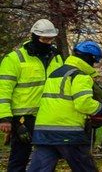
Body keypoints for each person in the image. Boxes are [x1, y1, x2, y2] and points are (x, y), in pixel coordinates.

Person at [27, 41, 102, 172]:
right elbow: (83, 103)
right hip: (69, 133)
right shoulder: (80, 76)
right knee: (85, 168)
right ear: (89, 58)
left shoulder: (54, 74)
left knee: (39, 169)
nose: (94, 65)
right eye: (95, 61)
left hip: (44, 131)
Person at [0, 18, 64, 172]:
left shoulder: (56, 57)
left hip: (49, 115)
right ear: (34, 37)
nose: (48, 43)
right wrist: (5, 117)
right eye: (44, 39)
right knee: (19, 157)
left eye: (50, 39)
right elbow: (3, 89)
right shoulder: (14, 59)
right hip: (23, 117)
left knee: (49, 156)